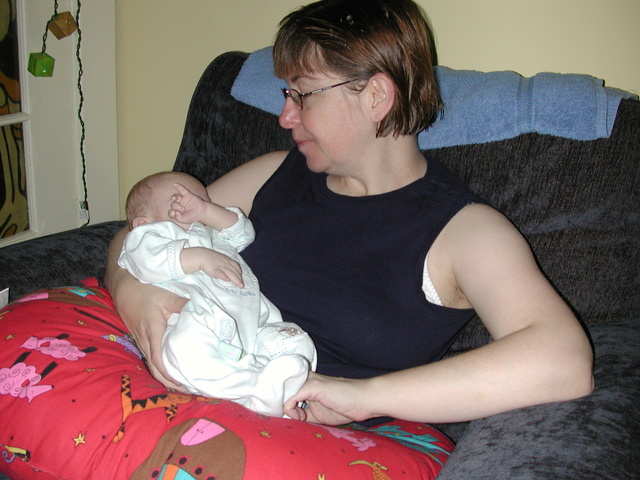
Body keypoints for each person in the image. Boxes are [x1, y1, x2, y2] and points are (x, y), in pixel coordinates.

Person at [106, 0, 593, 427]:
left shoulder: (462, 232)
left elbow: (564, 361)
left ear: (376, 96)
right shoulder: (273, 174)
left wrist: (362, 396)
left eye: (302, 95)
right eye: (287, 95)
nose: (285, 117)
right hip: (186, 385)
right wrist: (134, 294)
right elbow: (139, 231)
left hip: (300, 434)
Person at [118, 171, 316, 416]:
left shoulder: (212, 235)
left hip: (252, 329)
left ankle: (284, 394)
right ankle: (254, 392)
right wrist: (200, 258)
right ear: (143, 223)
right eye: (179, 201)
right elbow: (146, 260)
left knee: (294, 339)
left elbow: (244, 233)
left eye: (202, 199)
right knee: (186, 347)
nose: (193, 204)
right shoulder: (148, 237)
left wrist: (206, 212)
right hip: (198, 323)